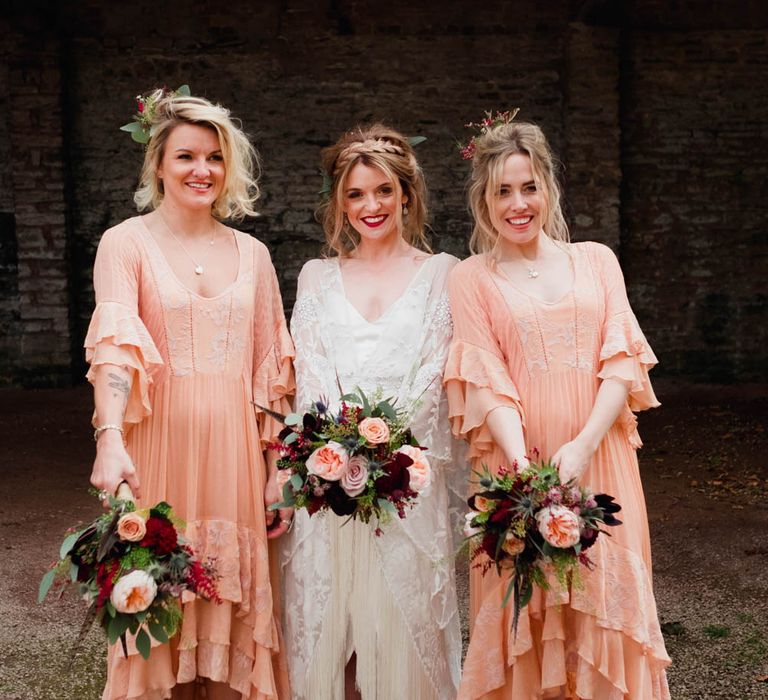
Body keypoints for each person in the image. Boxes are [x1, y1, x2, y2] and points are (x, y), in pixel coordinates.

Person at [445, 115, 671, 699]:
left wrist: (584, 445)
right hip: (518, 462)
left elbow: (621, 362)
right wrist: (527, 469)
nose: (517, 204)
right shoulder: (470, 278)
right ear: (483, 199)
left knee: (605, 603)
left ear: (547, 187)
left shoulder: (597, 260)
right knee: (528, 607)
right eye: (502, 191)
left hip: (602, 453)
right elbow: (486, 378)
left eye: (528, 187)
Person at [87, 89, 293, 699]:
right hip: (157, 457)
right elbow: (116, 353)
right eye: (185, 156)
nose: (201, 170)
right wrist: (110, 440)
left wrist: (279, 466)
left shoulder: (253, 254)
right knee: (153, 611)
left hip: (234, 460)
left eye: (213, 157)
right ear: (157, 164)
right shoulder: (124, 244)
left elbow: (269, 373)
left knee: (233, 618)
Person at [280, 124, 462, 699]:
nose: (371, 206)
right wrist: (336, 456)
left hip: (407, 482)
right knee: (335, 627)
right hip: (329, 476)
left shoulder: (442, 274)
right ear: (339, 202)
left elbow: (433, 377)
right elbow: (310, 379)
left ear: (406, 193)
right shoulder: (318, 276)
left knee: (403, 628)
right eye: (356, 194)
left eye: (383, 190)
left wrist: (386, 459)